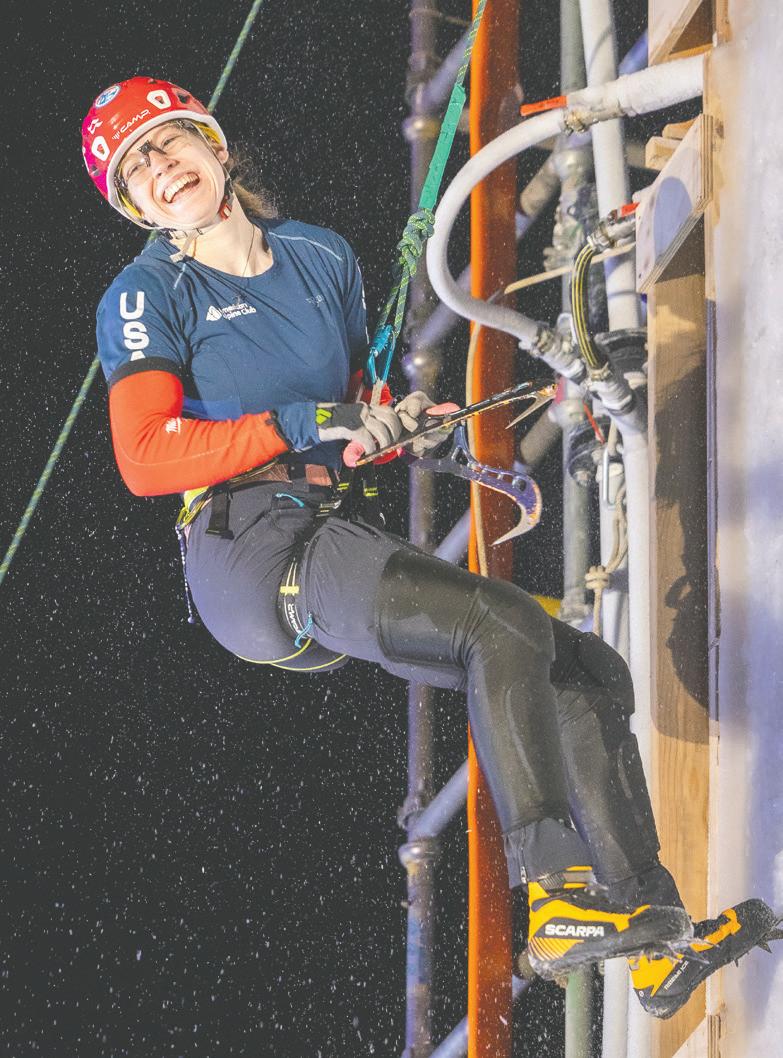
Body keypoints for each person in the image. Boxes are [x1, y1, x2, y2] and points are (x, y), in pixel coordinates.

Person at [82, 77, 775, 1015]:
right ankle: (555, 898)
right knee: (499, 624)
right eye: (137, 169)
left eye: (169, 142)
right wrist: (307, 421)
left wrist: (398, 426)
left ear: (212, 143)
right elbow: (144, 455)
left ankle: (650, 931)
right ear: (133, 205)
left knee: (582, 669)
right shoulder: (148, 292)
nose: (162, 168)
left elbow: (349, 416)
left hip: (323, 520)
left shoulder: (318, 256)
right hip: (247, 548)